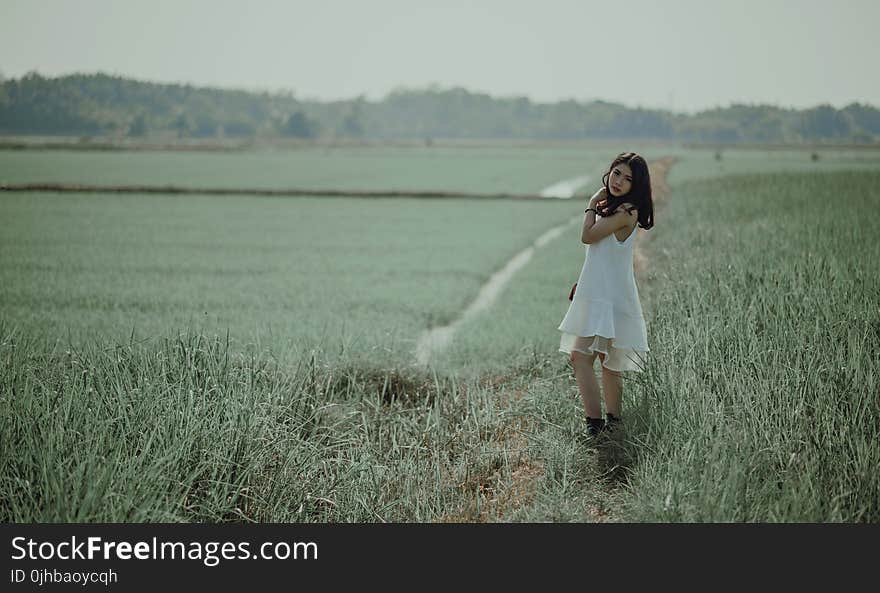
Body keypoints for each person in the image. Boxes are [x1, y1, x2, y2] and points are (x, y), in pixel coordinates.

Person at [557, 152, 655, 440]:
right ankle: (611, 424)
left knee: (581, 357)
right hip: (600, 291)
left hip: (609, 296)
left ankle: (595, 424)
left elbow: (587, 237)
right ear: (609, 171)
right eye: (616, 173)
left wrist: (590, 204)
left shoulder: (626, 211)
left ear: (635, 187)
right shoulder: (616, 209)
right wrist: (583, 282)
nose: (619, 181)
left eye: (627, 179)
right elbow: (602, 254)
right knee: (605, 360)